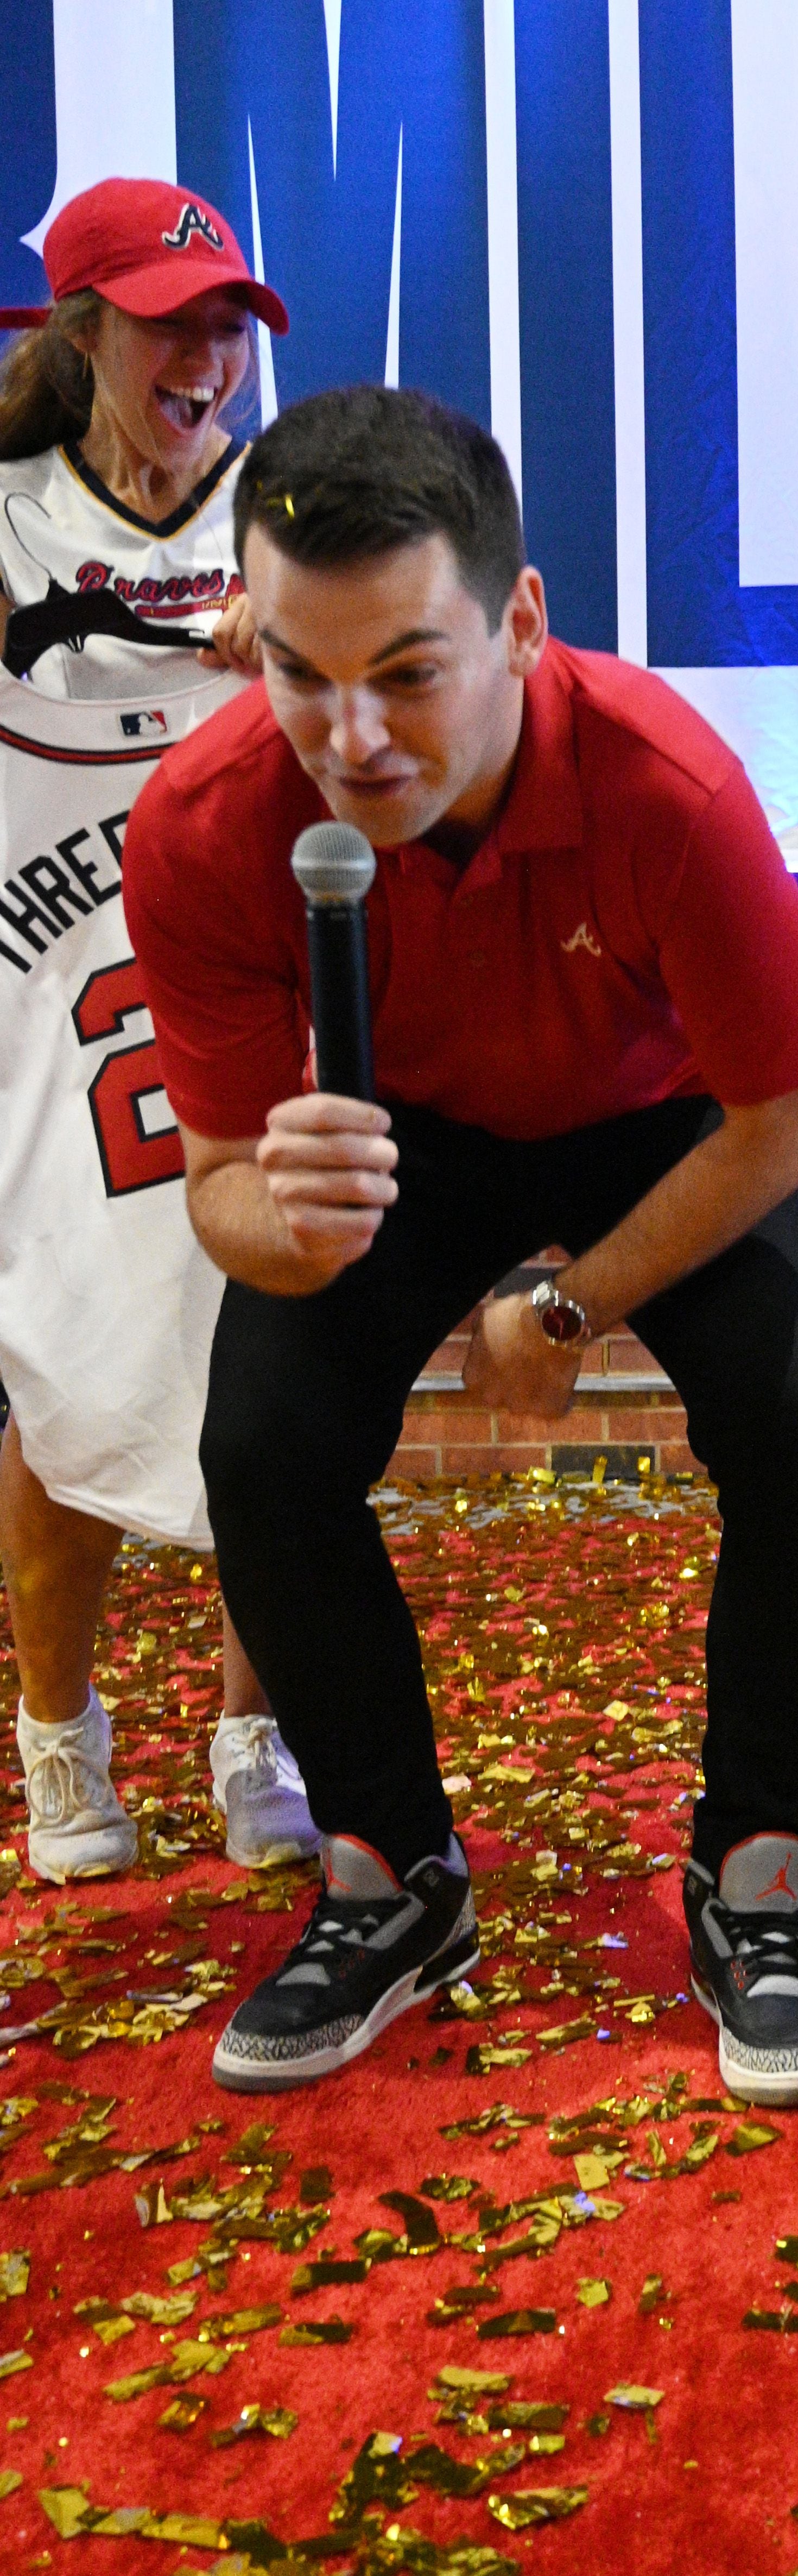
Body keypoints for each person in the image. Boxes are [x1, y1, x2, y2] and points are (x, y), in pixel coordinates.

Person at [124, 382, 798, 2102]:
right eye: (299, 671)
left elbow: (789, 1119)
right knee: (265, 1441)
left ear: (520, 624)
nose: (351, 735)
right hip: (409, 1124)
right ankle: (393, 1877)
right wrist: (289, 1230)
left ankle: (756, 1871)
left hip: (662, 1118)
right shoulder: (208, 821)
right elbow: (225, 1188)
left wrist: (572, 1298)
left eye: (406, 669)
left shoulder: (666, 784)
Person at [0, 176, 314, 1882]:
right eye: (165, 319)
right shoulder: (5, 518)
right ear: (86, 329)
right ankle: (61, 1740)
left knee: (273, 1376)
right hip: (54, 1003)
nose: (203, 356)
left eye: (224, 322)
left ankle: (252, 1729)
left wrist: (307, 630)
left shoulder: (298, 501)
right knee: (63, 1384)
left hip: (263, 992)